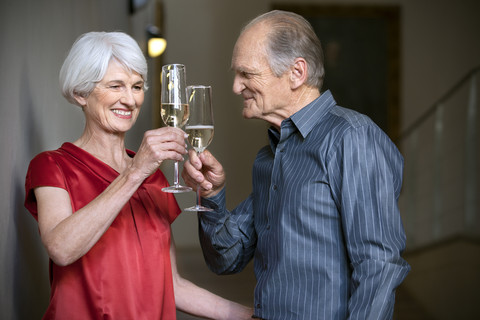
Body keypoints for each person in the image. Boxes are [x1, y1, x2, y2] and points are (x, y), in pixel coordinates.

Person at [182, 10, 410, 320]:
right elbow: (226, 258)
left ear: (296, 73)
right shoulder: (270, 157)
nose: (236, 87)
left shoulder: (352, 138)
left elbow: (378, 268)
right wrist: (211, 195)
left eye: (247, 73)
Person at [24, 31, 252, 320]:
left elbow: (173, 285)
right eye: (116, 86)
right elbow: (62, 249)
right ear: (81, 93)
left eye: (137, 86)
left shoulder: (155, 180)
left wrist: (251, 316)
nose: (130, 100)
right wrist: (134, 172)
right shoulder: (52, 166)